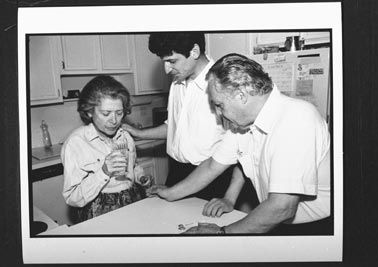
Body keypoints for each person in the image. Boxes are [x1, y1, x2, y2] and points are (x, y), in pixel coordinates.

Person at [148, 53, 331, 235]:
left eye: (219, 105)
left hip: (318, 229)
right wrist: (170, 193)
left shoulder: (296, 118)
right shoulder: (244, 124)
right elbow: (213, 166)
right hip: (278, 222)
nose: (218, 114)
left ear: (241, 95)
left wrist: (221, 233)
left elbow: (282, 207)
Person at [122, 32, 237, 202]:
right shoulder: (177, 81)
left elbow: (239, 146)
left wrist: (229, 198)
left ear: (194, 51)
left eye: (172, 61)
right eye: (164, 62)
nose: (167, 69)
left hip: (212, 177)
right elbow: (173, 127)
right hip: (177, 171)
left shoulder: (223, 83)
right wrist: (139, 134)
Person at [61, 75, 151, 223]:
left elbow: (132, 165)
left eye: (119, 113)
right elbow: (72, 197)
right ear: (89, 111)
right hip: (99, 210)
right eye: (106, 113)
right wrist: (103, 172)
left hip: (133, 199)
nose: (114, 121)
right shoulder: (76, 143)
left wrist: (140, 177)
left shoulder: (125, 136)